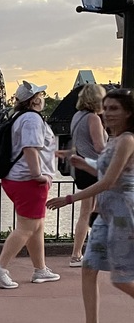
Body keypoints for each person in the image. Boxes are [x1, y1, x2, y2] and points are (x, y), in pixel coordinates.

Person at [47, 89, 134, 323]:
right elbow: (106, 172)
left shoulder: (127, 140)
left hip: (123, 211)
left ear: (129, 112)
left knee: (121, 278)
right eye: (105, 108)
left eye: (114, 109)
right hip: (106, 211)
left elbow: (110, 181)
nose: (107, 113)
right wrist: (83, 164)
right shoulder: (114, 139)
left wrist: (70, 198)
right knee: (89, 266)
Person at [0, 80, 61, 288]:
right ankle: (0, 268)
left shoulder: (19, 117)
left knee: (36, 226)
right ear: (35, 99)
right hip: (28, 181)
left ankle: (40, 269)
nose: (43, 99)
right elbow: (31, 148)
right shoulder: (32, 119)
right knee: (26, 228)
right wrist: (39, 175)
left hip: (16, 178)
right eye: (42, 96)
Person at [59, 84, 107, 266]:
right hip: (93, 167)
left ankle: (81, 252)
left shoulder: (77, 116)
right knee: (92, 211)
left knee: (89, 211)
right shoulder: (93, 118)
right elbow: (99, 147)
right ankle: (79, 253)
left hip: (81, 168)